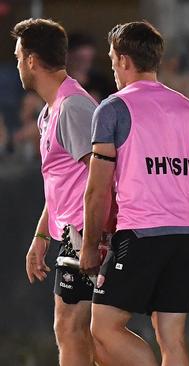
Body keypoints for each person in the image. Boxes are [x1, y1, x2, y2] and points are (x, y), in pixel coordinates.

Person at [78, 21, 189, 366]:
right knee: (172, 339)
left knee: (103, 330)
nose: (113, 68)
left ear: (125, 61)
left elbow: (97, 189)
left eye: (113, 60)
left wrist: (89, 247)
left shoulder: (112, 108)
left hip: (140, 235)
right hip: (186, 238)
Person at [13, 18, 98, 366]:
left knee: (77, 330)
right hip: (72, 233)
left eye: (18, 56)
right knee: (78, 331)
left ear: (32, 60)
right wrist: (41, 235)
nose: (16, 63)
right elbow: (62, 181)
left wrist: (93, 238)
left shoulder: (73, 107)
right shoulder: (51, 111)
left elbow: (104, 173)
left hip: (86, 235)